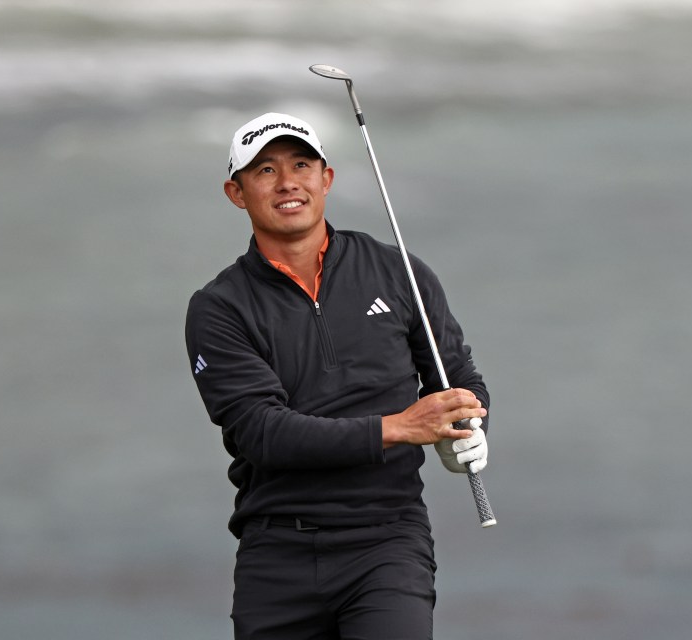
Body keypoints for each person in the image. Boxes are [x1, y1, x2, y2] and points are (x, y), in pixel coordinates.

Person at [185, 112, 490, 639]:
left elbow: (456, 378)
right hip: (276, 551)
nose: (287, 183)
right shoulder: (219, 308)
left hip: (387, 541)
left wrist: (468, 429)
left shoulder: (400, 273)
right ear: (236, 192)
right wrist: (400, 427)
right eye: (265, 171)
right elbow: (263, 433)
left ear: (326, 179)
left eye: (301, 164)